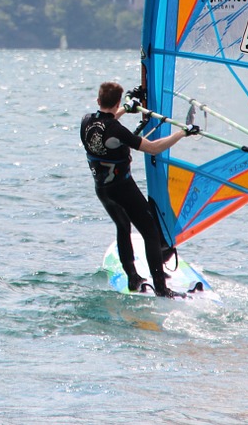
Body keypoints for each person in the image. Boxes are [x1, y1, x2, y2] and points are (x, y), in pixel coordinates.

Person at [80, 80, 199, 297]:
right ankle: (161, 288)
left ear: (98, 101)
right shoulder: (117, 130)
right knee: (151, 232)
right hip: (122, 188)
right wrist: (182, 133)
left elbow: (106, 125)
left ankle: (133, 278)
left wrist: (128, 108)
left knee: (123, 227)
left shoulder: (86, 121)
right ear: (117, 103)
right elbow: (153, 148)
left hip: (102, 190)